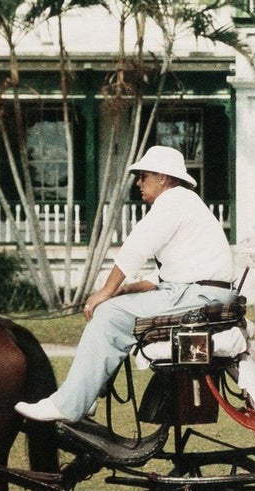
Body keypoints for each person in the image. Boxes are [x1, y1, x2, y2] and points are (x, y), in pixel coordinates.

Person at [15, 145, 234, 424]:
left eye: (143, 176)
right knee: (115, 307)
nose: (139, 183)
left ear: (163, 178)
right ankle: (87, 396)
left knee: (109, 314)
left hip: (198, 295)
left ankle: (69, 405)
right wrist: (125, 290)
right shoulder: (186, 203)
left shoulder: (173, 201)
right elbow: (172, 272)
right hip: (200, 292)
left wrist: (104, 293)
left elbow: (135, 248)